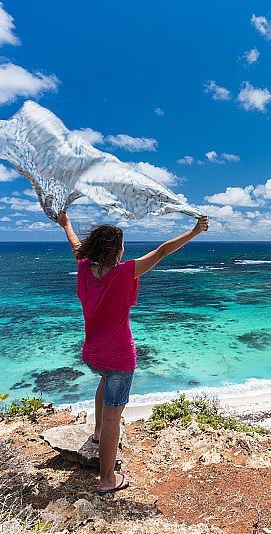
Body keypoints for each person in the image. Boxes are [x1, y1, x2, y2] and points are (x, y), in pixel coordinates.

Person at [56, 210, 210, 495]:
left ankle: (98, 433)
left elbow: (76, 245)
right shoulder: (125, 272)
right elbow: (162, 251)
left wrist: (66, 223)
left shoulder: (83, 268)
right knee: (116, 414)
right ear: (116, 250)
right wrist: (194, 232)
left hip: (93, 355)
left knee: (104, 382)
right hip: (118, 358)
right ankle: (107, 479)